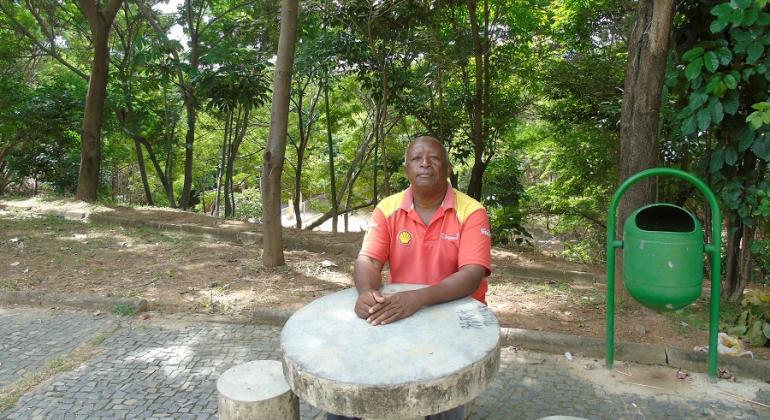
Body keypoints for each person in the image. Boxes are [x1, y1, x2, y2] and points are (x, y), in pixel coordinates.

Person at [328, 136, 492, 420]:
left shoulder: (472, 211)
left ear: (449, 168)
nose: (425, 164)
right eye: (416, 159)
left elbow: (472, 275)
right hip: (400, 312)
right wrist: (366, 292)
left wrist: (419, 298)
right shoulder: (388, 209)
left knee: (442, 401)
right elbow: (368, 259)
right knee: (348, 394)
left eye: (434, 158)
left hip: (456, 319)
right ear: (406, 169)